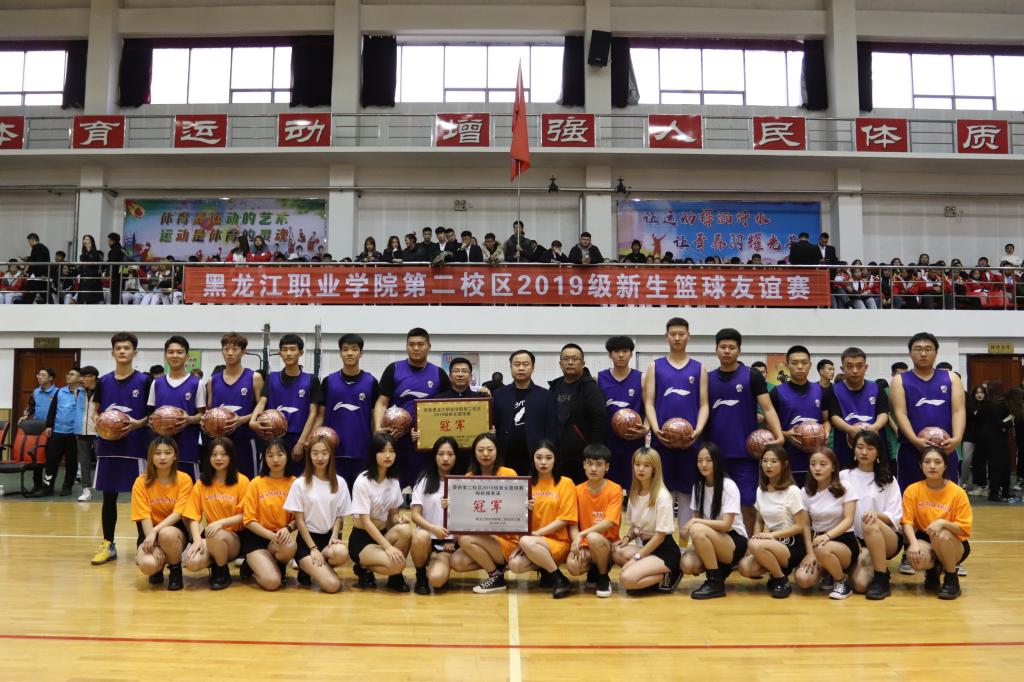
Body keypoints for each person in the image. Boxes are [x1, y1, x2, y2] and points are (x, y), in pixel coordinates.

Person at [705, 328, 784, 533]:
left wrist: (779, 435)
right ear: (716, 350)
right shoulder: (707, 378)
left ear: (739, 350)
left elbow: (768, 408)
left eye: (732, 347)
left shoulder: (752, 375)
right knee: (715, 506)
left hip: (745, 455)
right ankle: (722, 545)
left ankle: (748, 545)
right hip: (715, 455)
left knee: (747, 505)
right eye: (723, 347)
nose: (727, 351)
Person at [91, 332, 153, 566]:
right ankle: (108, 544)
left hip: (135, 447)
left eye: (127, 348)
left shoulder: (144, 381)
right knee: (108, 497)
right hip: (108, 446)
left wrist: (138, 423)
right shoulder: (103, 381)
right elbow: (96, 410)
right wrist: (98, 421)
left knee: (139, 498)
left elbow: (152, 414)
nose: (122, 351)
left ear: (135, 352)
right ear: (112, 352)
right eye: (118, 348)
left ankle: (142, 544)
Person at [643, 317, 708, 535]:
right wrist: (656, 429)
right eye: (673, 334)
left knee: (688, 494)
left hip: (691, 443)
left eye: (681, 334)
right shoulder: (655, 366)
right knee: (662, 493)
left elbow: (704, 404)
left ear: (689, 336)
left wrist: (698, 430)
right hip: (662, 442)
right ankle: (663, 543)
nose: (677, 338)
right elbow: (649, 402)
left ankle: (684, 543)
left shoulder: (699, 368)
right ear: (666, 337)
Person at [889, 332, 965, 497]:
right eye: (918, 349)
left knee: (947, 497)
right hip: (911, 450)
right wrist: (914, 440)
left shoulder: (951, 378)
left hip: (945, 450)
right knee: (910, 496)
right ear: (910, 353)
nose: (923, 353)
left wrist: (957, 438)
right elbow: (900, 413)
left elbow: (958, 411)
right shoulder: (899, 380)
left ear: (936, 352)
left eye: (928, 349)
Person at [373, 327, 450, 488]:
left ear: (429, 346)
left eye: (420, 344)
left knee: (424, 489)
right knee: (392, 487)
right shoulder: (394, 369)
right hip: (396, 441)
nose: (416, 348)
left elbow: (448, 406)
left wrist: (481, 391)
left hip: (425, 445)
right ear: (406, 346)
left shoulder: (439, 374)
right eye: (411, 344)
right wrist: (379, 428)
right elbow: (382, 402)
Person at [503, 440, 579, 598]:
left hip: (558, 542)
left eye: (548, 458)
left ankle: (558, 579)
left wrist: (537, 534)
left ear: (555, 459)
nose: (543, 462)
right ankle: (552, 573)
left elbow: (565, 519)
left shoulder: (566, 483)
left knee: (526, 541)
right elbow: (516, 519)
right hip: (532, 542)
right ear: (533, 460)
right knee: (515, 565)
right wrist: (524, 509)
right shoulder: (525, 484)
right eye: (539, 457)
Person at [737, 446, 809, 598]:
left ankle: (780, 579)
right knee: (745, 567)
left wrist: (770, 536)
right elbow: (759, 521)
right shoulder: (761, 489)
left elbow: (800, 526)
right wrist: (754, 539)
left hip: (792, 543)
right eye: (765, 461)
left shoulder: (792, 491)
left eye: (774, 461)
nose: (768, 465)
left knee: (756, 545)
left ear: (784, 464)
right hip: (772, 542)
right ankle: (776, 573)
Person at [901, 446, 973, 599]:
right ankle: (933, 571)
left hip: (954, 543)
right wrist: (912, 544)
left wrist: (942, 523)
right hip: (926, 540)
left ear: (945, 466)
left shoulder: (957, 492)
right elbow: (906, 522)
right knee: (916, 559)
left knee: (942, 535)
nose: (932, 466)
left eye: (937, 462)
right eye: (927, 462)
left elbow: (964, 529)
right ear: (921, 465)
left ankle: (951, 579)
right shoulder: (912, 490)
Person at [410, 437, 479, 594]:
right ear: (434, 456)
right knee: (419, 535)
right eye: (441, 454)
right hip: (428, 540)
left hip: (450, 544)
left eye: (450, 454)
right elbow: (415, 515)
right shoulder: (424, 481)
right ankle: (420, 576)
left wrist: (454, 540)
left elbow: (471, 517)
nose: (445, 458)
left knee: (437, 579)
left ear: (457, 456)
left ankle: (440, 564)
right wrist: (433, 529)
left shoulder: (464, 482)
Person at [680, 443, 749, 600]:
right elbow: (697, 519)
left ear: (716, 461)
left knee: (696, 528)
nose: (703, 464)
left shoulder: (728, 486)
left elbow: (725, 525)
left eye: (708, 460)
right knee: (687, 564)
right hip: (710, 537)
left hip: (733, 541)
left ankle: (715, 582)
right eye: (700, 460)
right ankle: (721, 569)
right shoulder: (698, 486)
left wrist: (694, 522)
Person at [841, 430, 904, 599]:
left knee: (869, 522)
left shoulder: (888, 479)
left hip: (887, 537)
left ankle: (881, 580)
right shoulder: (843, 476)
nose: (864, 452)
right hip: (856, 540)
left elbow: (895, 516)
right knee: (860, 585)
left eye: (870, 448)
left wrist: (875, 515)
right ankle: (870, 566)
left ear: (878, 452)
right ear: (853, 449)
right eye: (860, 447)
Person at [284, 436, 351, 593]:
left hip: (327, 541)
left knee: (341, 552)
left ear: (330, 455)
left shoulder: (340, 482)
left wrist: (334, 536)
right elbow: (299, 521)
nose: (320, 458)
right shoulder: (299, 483)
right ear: (309, 456)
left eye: (324, 453)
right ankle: (306, 567)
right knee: (333, 586)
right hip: (307, 543)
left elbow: (339, 515)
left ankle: (316, 569)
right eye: (315, 453)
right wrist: (313, 548)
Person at [348, 432, 413, 592]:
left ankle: (395, 578)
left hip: (383, 533)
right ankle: (363, 568)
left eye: (391, 451)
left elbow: (393, 514)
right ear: (373, 453)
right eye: (383, 451)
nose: (388, 455)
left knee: (405, 530)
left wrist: (399, 520)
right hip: (362, 540)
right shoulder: (362, 482)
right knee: (398, 564)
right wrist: (388, 547)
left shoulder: (393, 480)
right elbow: (365, 522)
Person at [182, 437, 250, 589]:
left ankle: (222, 571)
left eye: (224, 454)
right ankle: (216, 559)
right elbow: (193, 516)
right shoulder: (202, 483)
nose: (218, 458)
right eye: (214, 454)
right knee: (192, 562)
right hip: (212, 535)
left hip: (235, 537)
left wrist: (221, 523)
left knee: (214, 533)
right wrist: (197, 540)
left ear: (231, 457)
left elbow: (246, 515)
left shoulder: (242, 481)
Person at [612, 447, 681, 593]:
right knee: (617, 552)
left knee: (626, 579)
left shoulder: (662, 496)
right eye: (637, 464)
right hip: (648, 547)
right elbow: (635, 527)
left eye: (646, 465)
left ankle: (669, 575)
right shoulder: (635, 492)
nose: (641, 469)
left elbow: (660, 537)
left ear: (654, 469)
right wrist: (627, 538)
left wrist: (636, 557)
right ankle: (645, 576)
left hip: (664, 552)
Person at [793, 448, 859, 599]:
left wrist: (827, 536)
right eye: (813, 464)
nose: (817, 468)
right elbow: (806, 526)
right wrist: (810, 553)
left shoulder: (845, 487)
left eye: (823, 464)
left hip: (844, 541)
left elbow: (848, 520)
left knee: (822, 549)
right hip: (819, 543)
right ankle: (828, 571)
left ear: (833, 467)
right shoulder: (805, 492)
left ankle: (842, 582)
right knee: (803, 580)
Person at [459, 433, 520, 593]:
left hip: (507, 540)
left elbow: (516, 511)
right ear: (474, 453)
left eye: (490, 450)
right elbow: (465, 514)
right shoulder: (469, 478)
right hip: (482, 537)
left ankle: (495, 577)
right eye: (480, 450)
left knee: (465, 539)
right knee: (457, 562)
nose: (485, 454)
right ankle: (498, 567)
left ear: (497, 451)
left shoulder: (509, 474)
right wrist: (452, 505)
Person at [253, 334, 321, 476]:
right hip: (273, 437)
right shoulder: (272, 378)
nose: (288, 353)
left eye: (292, 349)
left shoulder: (311, 380)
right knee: (272, 478)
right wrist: (253, 421)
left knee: (296, 480)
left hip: (298, 437)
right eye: (284, 350)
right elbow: (262, 402)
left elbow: (313, 413)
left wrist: (301, 443)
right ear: (280, 354)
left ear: (301, 353)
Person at [316, 333, 378, 488]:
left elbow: (374, 418)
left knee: (359, 496)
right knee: (334, 495)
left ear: (361, 353)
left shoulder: (371, 382)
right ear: (340, 353)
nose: (349, 353)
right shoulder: (328, 381)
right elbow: (320, 416)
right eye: (345, 349)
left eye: (354, 349)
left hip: (362, 450)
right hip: (333, 451)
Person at [131, 437, 192, 590]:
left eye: (167, 453)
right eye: (157, 453)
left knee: (167, 533)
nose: (162, 457)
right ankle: (157, 569)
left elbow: (178, 513)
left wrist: (156, 532)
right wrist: (153, 541)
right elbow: (144, 516)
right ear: (151, 456)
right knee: (147, 565)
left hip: (174, 533)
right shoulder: (141, 482)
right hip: (148, 533)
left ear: (175, 455)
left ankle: (175, 570)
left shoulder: (184, 479)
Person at [240, 439, 298, 591]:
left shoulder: (295, 483)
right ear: (264, 458)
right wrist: (271, 536)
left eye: (280, 454)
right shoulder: (256, 483)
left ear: (287, 456)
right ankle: (252, 564)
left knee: (289, 545)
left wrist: (288, 528)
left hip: (280, 536)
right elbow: (248, 521)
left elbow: (298, 518)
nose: (275, 459)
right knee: (272, 583)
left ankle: (278, 565)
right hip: (256, 537)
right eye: (270, 455)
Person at [567, 444, 622, 598]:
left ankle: (603, 576)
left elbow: (609, 522)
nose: (593, 468)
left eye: (599, 464)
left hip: (607, 544)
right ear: (584, 465)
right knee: (572, 566)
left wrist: (582, 534)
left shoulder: (615, 489)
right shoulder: (576, 490)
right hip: (586, 545)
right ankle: (594, 570)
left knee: (594, 537)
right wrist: (577, 541)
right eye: (590, 463)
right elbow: (572, 523)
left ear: (607, 467)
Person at [769, 345, 830, 485]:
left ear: (810, 365)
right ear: (787, 365)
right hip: (787, 458)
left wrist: (825, 432)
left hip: (816, 461)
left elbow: (827, 419)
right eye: (795, 363)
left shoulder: (821, 391)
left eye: (804, 362)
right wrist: (785, 434)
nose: (800, 367)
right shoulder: (776, 392)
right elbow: (768, 424)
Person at [207, 332, 263, 479]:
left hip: (245, 439)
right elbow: (209, 410)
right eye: (226, 349)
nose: (230, 353)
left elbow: (262, 409)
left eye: (235, 349)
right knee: (220, 481)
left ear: (243, 352)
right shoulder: (213, 380)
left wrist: (241, 420)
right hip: (219, 443)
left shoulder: (254, 377)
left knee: (248, 480)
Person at [548, 344, 606, 484]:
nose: (570, 362)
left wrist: (593, 452)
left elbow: (600, 421)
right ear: (560, 363)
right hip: (557, 457)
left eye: (575, 359)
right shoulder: (554, 387)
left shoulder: (591, 388)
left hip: (583, 458)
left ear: (583, 363)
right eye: (566, 359)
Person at [824, 347, 890, 470]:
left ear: (866, 367)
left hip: (874, 446)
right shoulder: (833, 390)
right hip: (844, 448)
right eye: (849, 366)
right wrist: (849, 429)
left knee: (879, 478)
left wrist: (875, 427)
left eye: (859, 366)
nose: (855, 370)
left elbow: (884, 413)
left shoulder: (877, 388)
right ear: (842, 368)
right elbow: (834, 416)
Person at [150, 336, 205, 481]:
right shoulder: (156, 383)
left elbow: (203, 415)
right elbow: (151, 413)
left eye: (179, 352)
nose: (175, 355)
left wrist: (189, 419)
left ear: (187, 356)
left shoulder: (197, 383)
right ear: (165, 355)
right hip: (162, 447)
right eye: (171, 352)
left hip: (187, 445)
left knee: (188, 487)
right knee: (162, 488)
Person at [597, 336, 647, 489]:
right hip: (608, 442)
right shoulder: (598, 378)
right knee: (609, 487)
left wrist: (646, 428)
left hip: (634, 441)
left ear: (631, 353)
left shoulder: (642, 378)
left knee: (635, 486)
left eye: (625, 351)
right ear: (609, 354)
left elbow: (651, 407)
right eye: (616, 351)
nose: (620, 355)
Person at [493, 350, 553, 476]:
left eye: (525, 364)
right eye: (517, 364)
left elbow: (550, 428)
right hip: (505, 456)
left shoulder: (545, 395)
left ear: (533, 368)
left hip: (535, 457)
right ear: (511, 367)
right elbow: (495, 425)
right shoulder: (499, 394)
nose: (521, 368)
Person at [39, 368, 88, 497]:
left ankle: (67, 487)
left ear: (80, 378)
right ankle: (47, 487)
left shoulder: (83, 393)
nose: (68, 376)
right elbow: (53, 409)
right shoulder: (60, 391)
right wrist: (49, 425)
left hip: (74, 433)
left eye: (72, 374)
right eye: (68, 373)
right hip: (57, 431)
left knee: (71, 462)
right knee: (51, 461)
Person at [21, 367, 58, 495]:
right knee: (36, 456)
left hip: (52, 428)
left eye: (43, 375)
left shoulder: (58, 392)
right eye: (38, 374)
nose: (39, 377)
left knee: (50, 457)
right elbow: (30, 407)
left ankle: (48, 486)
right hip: (37, 428)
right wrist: (26, 415)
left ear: (50, 378)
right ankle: (37, 485)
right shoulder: (35, 392)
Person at [76, 366, 100, 502]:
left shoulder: (103, 390)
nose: (81, 379)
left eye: (84, 376)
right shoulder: (79, 391)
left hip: (99, 431)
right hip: (82, 430)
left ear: (93, 377)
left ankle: (106, 487)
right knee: (84, 461)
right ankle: (86, 490)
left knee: (101, 460)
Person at [77, 234, 104, 304]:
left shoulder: (96, 253)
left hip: (92, 280)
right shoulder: (82, 255)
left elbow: (94, 263)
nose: (85, 241)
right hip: (84, 279)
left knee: (91, 300)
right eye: (84, 239)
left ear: (91, 242)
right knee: (82, 299)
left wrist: (89, 249)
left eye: (87, 239)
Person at [107, 233, 125, 305]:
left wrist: (112, 276)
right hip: (124, 275)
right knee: (121, 296)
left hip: (116, 277)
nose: (108, 242)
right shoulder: (123, 249)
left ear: (113, 241)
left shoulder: (113, 251)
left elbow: (112, 264)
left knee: (115, 298)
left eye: (108, 240)